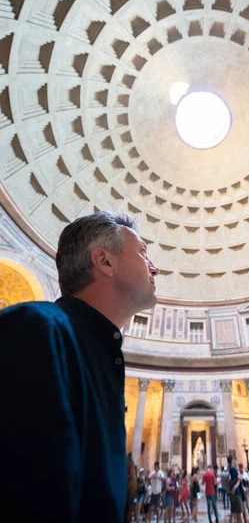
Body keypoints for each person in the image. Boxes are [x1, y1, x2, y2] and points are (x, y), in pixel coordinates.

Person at [0, 211, 159, 523]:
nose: (154, 266)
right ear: (105, 261)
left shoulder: (101, 355)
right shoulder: (36, 328)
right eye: (143, 253)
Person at [227, 454, 245, 523]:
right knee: (240, 513)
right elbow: (239, 478)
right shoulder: (233, 469)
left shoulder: (228, 469)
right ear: (232, 460)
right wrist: (234, 487)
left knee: (232, 513)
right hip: (236, 492)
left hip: (231, 493)